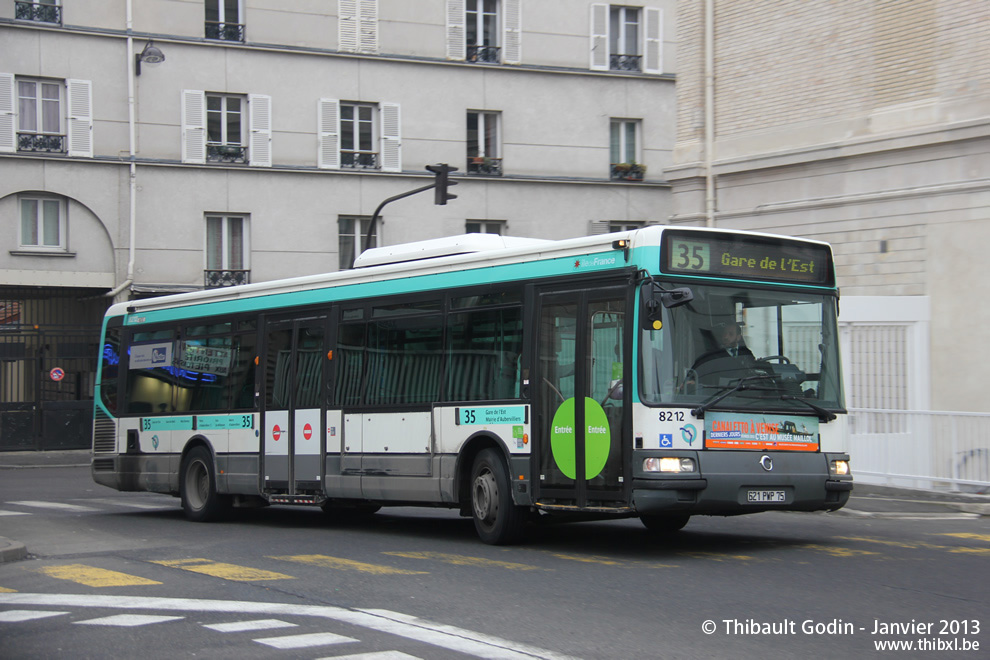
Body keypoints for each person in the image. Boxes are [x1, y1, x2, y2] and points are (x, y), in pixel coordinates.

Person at [687, 322, 756, 388]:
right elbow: (701, 369)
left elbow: (753, 369)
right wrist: (693, 379)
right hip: (720, 395)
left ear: (738, 337)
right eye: (724, 334)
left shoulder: (746, 353)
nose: (726, 337)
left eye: (730, 334)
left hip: (744, 395)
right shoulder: (715, 355)